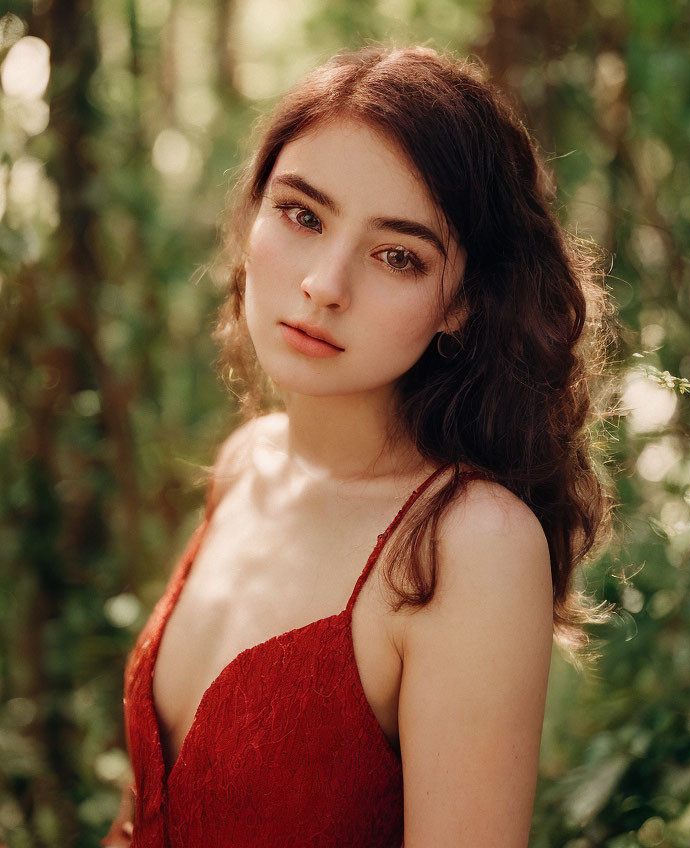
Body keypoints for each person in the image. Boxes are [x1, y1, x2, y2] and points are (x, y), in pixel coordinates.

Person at [102, 45, 615, 847]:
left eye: (397, 256)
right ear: (254, 211)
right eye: (302, 214)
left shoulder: (467, 545)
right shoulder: (247, 463)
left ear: (462, 304)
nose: (325, 284)